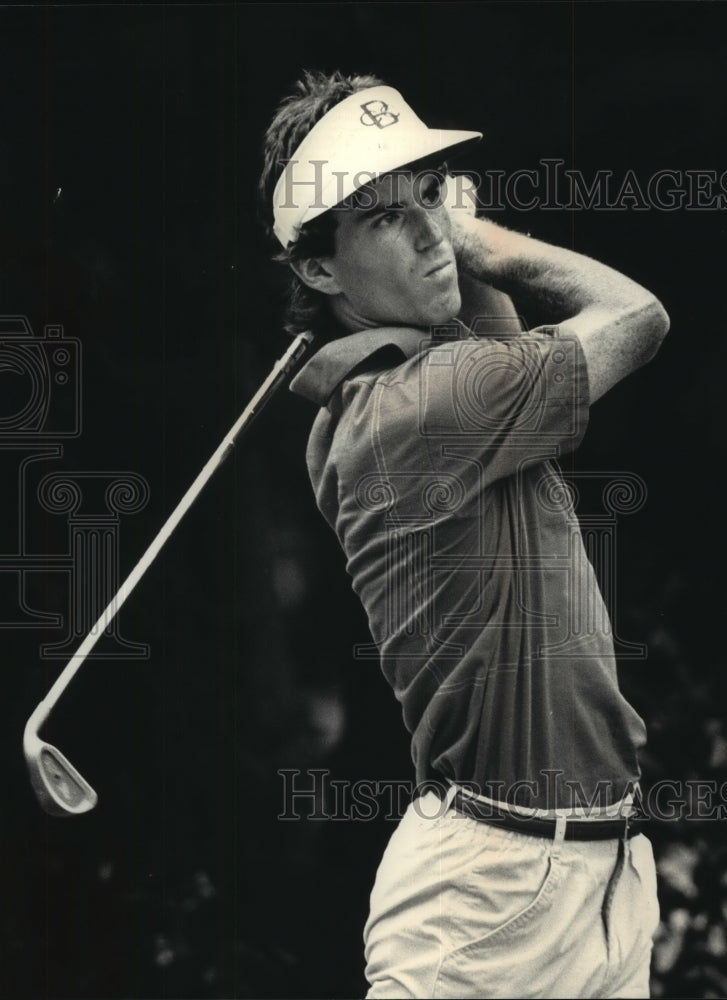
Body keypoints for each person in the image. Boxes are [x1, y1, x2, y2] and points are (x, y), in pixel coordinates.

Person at [259, 70, 669, 999]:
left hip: (595, 880)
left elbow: (503, 355)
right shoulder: (417, 409)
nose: (424, 231)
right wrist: (486, 244)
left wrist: (455, 262)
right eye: (380, 219)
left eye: (428, 198)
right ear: (319, 271)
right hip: (484, 902)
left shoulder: (436, 391)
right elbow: (636, 318)